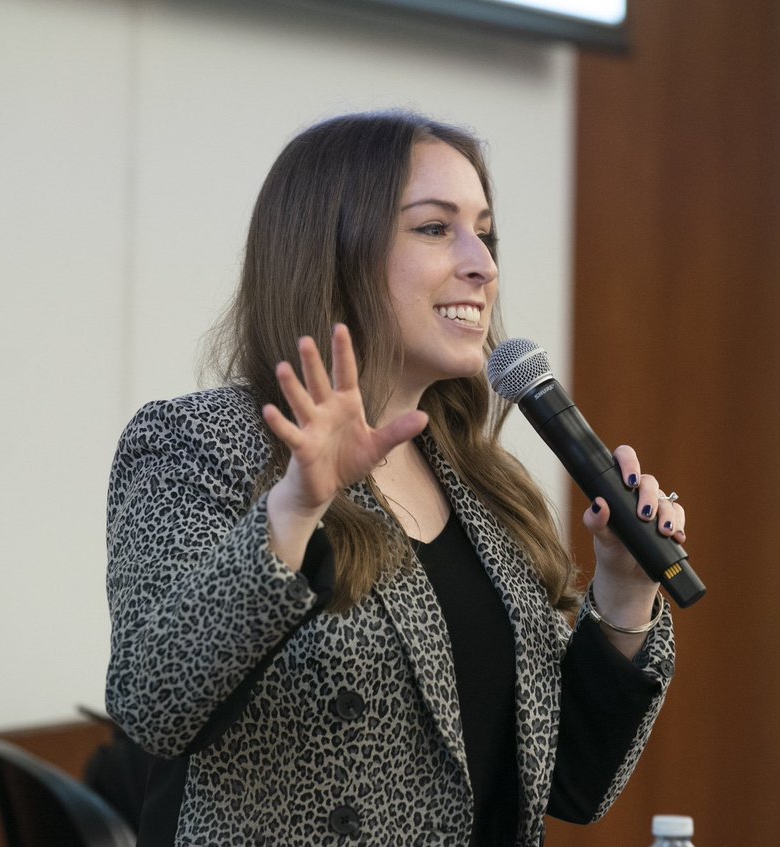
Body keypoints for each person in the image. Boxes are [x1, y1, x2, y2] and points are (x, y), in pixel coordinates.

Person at [104, 110, 685, 847]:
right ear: (333, 253)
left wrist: (626, 590)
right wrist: (294, 509)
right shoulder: (198, 443)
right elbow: (153, 704)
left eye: (485, 233)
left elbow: (566, 781)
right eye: (436, 228)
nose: (482, 265)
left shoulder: (484, 480)